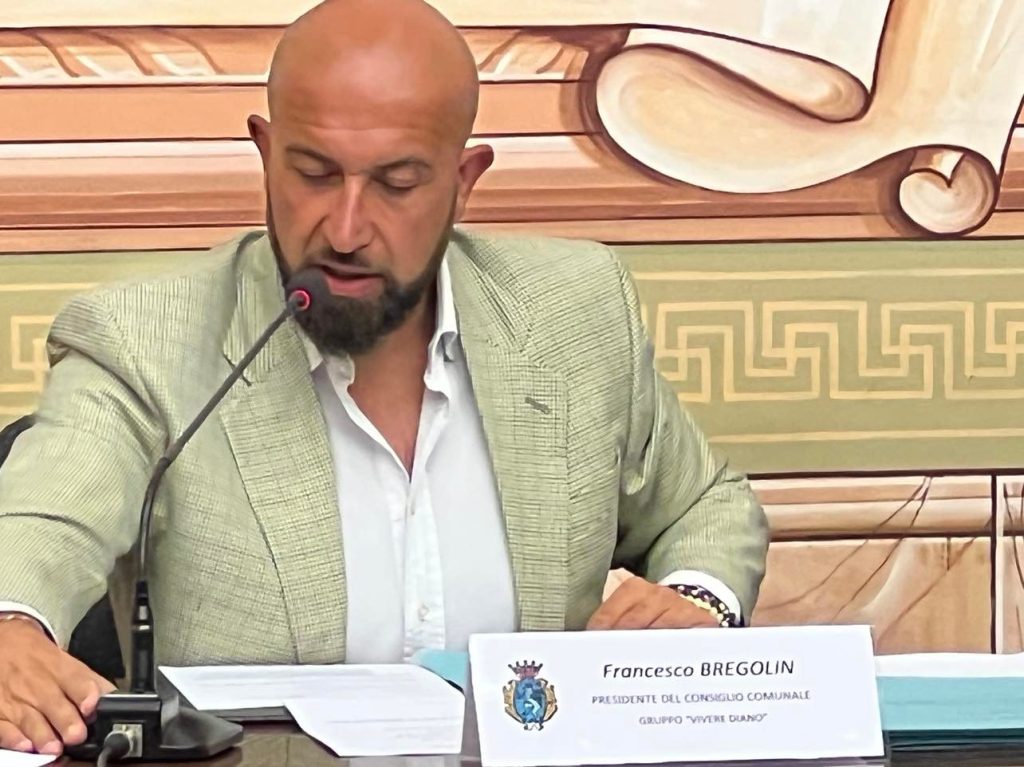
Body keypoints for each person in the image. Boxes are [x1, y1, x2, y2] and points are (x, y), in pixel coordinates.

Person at [0, 0, 769, 756]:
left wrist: (698, 598)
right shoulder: (144, 339)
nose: (344, 229)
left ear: (464, 181)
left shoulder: (574, 312)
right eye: (313, 174)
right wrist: (11, 626)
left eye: (397, 184)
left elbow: (705, 503)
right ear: (266, 154)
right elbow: (44, 518)